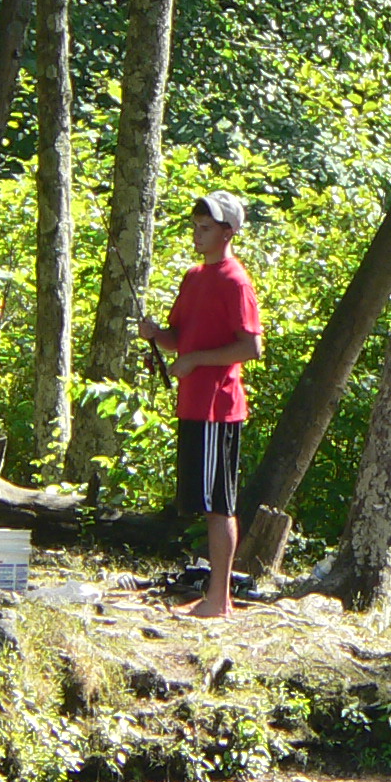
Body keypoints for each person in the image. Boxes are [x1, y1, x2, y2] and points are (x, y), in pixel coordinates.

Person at [137, 190, 261, 619]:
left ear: (228, 232)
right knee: (205, 502)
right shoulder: (194, 277)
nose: (197, 233)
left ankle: (219, 599)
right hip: (192, 406)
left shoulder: (235, 281)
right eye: (195, 226)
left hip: (218, 408)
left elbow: (250, 347)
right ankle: (214, 594)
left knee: (218, 504)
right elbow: (178, 339)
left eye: (205, 228)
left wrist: (195, 360)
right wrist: (155, 334)